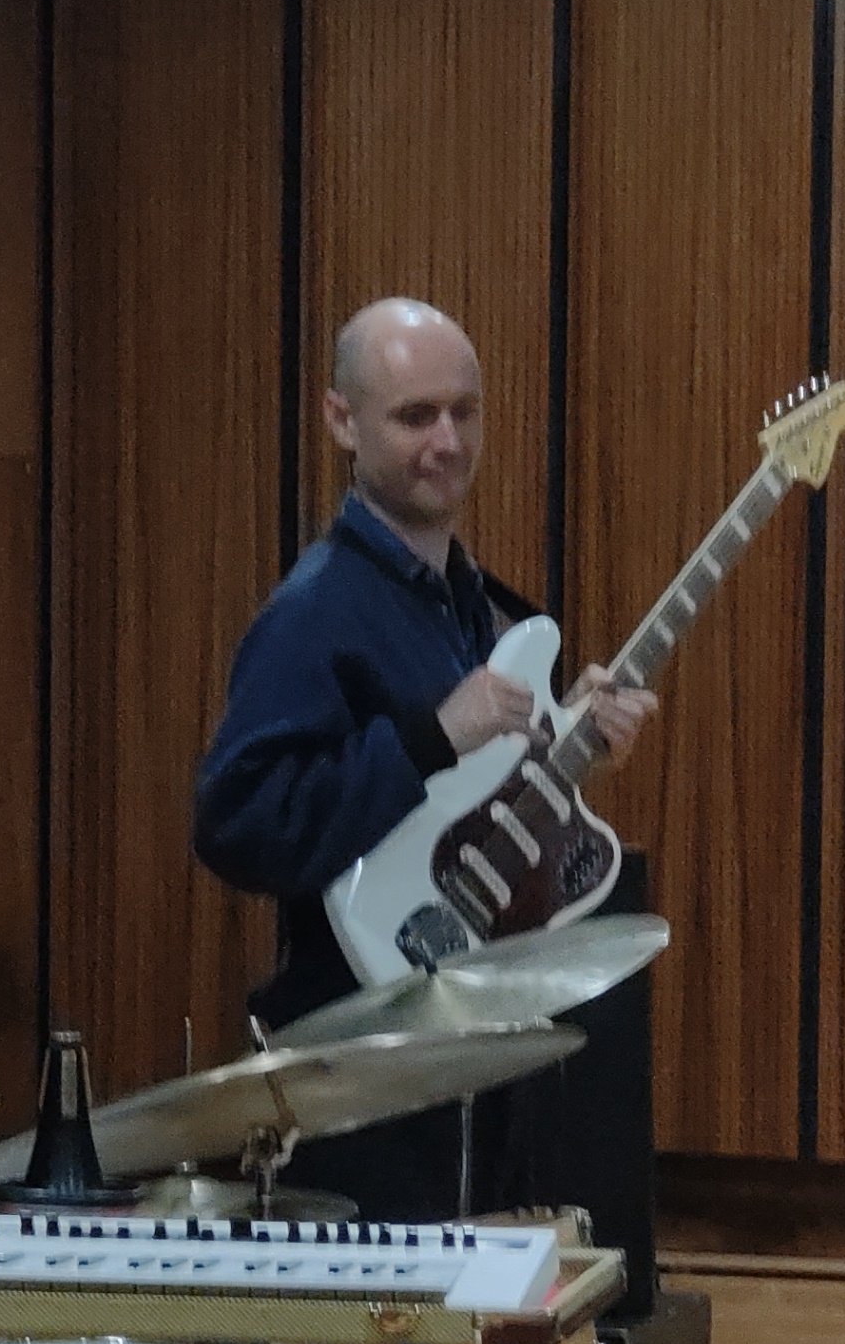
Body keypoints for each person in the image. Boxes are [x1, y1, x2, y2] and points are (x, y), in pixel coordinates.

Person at [191, 297, 658, 1220]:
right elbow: (238, 821)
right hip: (367, 1084)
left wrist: (572, 751)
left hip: (475, 1069)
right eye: (414, 416)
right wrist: (428, 734)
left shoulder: (478, 605)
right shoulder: (314, 613)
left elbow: (456, 815)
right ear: (341, 421)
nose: (446, 440)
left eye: (463, 411)